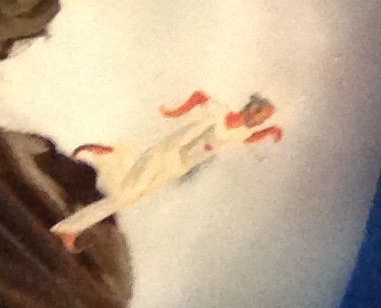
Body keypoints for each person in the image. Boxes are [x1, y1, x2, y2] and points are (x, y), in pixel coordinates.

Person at [52, 90, 280, 246]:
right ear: (253, 109)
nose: (261, 122)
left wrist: (270, 132)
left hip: (177, 167)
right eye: (263, 117)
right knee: (123, 197)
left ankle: (110, 159)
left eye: (265, 120)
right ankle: (111, 158)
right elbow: (200, 96)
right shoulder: (220, 111)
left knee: (126, 198)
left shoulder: (242, 132)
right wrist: (174, 112)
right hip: (163, 155)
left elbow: (249, 138)